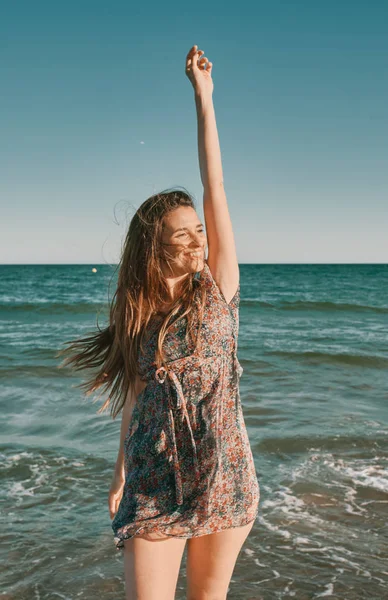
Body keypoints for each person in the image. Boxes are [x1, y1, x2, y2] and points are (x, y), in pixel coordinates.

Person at [58, 44, 260, 600]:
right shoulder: (140, 320)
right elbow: (138, 396)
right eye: (185, 233)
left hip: (224, 470)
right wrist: (120, 470)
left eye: (200, 229)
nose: (200, 239)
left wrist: (204, 96)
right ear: (156, 247)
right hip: (152, 479)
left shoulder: (219, 290)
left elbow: (214, 184)